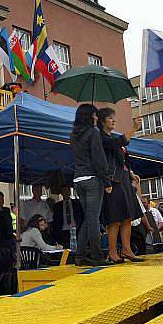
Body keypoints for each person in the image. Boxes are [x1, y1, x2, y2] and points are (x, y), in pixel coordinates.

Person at [98, 107, 144, 264]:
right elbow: (118, 142)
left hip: (124, 179)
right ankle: (112, 252)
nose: (113, 120)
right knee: (115, 217)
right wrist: (134, 129)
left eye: (113, 117)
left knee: (128, 216)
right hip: (113, 181)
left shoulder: (112, 137)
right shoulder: (102, 138)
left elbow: (123, 159)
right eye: (110, 118)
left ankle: (126, 249)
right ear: (102, 121)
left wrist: (130, 172)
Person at [70, 104, 112, 267]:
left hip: (78, 180)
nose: (96, 118)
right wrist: (107, 181)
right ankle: (97, 256)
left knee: (89, 218)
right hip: (92, 179)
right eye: (94, 115)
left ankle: (80, 256)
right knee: (94, 219)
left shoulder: (73, 135)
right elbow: (99, 159)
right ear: (88, 116)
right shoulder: (93, 133)